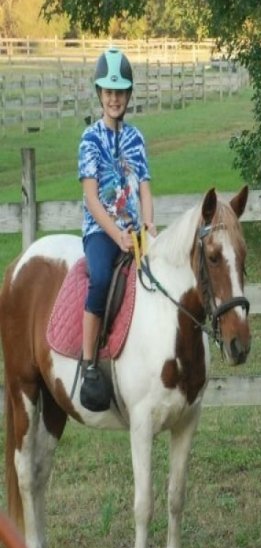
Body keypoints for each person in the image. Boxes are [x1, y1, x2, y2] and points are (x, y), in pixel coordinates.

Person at [77, 48, 157, 411]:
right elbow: (92, 199)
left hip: (133, 229)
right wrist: (116, 235)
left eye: (120, 92)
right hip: (101, 230)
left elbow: (144, 188)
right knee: (99, 278)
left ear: (128, 96)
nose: (114, 98)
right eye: (108, 92)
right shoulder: (89, 140)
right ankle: (90, 363)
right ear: (99, 95)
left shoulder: (136, 139)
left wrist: (149, 224)